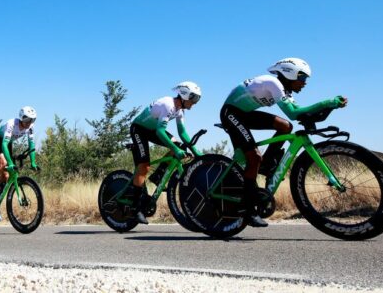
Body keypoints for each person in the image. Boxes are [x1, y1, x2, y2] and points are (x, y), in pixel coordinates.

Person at [220, 58, 348, 227]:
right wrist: (327, 102)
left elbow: (300, 114)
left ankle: (265, 165)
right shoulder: (273, 83)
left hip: (244, 114)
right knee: (253, 158)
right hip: (231, 113)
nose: (304, 83)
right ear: (289, 74)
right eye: (302, 78)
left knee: (285, 126)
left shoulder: (284, 90)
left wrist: (329, 108)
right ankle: (248, 209)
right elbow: (294, 113)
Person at [129, 81, 203, 224]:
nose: (194, 103)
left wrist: (197, 152)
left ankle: (158, 177)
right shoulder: (168, 104)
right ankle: (136, 208)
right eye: (193, 99)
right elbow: (160, 131)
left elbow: (182, 133)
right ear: (185, 95)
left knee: (179, 146)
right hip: (139, 129)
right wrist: (175, 149)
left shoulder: (180, 109)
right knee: (144, 166)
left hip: (153, 130)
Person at [0, 106, 38, 222]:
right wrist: (9, 162)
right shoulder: (11, 124)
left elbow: (32, 145)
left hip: (7, 142)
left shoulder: (30, 127)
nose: (30, 123)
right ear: (22, 118)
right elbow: (4, 145)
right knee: (3, 163)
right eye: (28, 120)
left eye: (33, 120)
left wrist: (33, 162)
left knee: (6, 176)